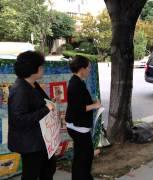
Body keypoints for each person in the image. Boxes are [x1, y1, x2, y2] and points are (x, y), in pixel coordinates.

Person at [8, 51, 56, 180]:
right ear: (33, 69)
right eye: (41, 66)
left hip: (40, 140)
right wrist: (46, 109)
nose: (43, 69)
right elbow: (19, 120)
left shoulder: (32, 84)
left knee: (48, 169)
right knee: (31, 175)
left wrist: (50, 102)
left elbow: (39, 104)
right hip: (30, 144)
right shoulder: (20, 90)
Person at [66, 55, 101, 180]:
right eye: (88, 68)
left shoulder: (77, 82)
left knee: (81, 156)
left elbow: (79, 103)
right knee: (85, 158)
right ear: (82, 69)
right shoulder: (76, 84)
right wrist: (95, 105)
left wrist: (92, 104)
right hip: (78, 127)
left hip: (77, 126)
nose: (89, 70)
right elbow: (79, 108)